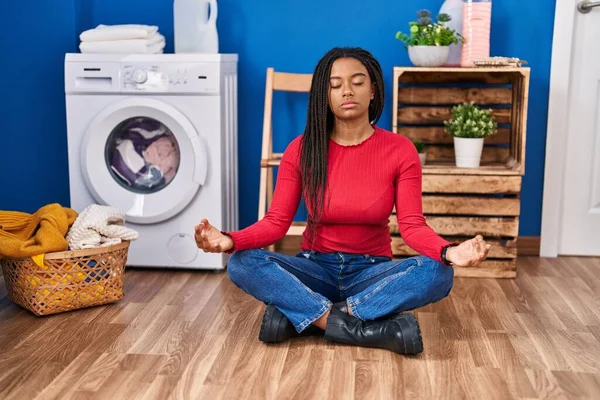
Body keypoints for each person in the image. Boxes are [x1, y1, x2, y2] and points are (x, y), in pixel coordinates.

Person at [194, 47, 491, 355]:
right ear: (324, 94)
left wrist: (449, 250)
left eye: (357, 81)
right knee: (241, 262)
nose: (346, 91)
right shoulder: (301, 149)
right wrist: (229, 241)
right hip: (315, 269)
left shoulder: (400, 150)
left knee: (439, 271)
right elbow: (275, 223)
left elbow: (412, 226)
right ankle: (357, 325)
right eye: (334, 85)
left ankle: (309, 318)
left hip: (371, 272)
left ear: (373, 89)